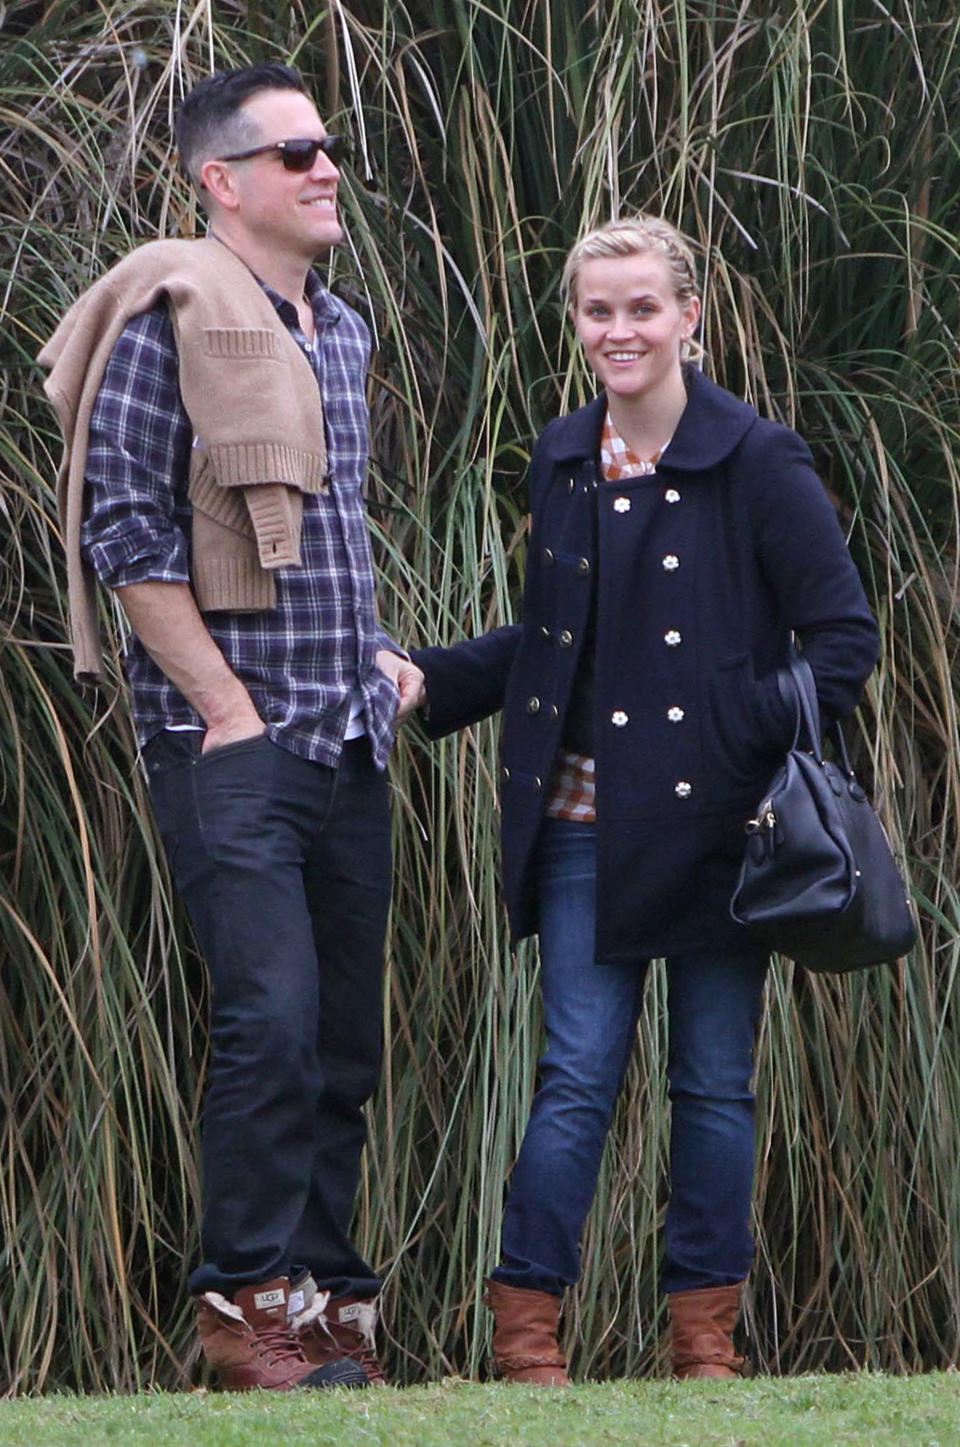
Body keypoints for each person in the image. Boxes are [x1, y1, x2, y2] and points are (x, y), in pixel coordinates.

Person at [412, 216, 879, 1382]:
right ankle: (528, 1343)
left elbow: (843, 644)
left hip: (727, 831)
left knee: (715, 1085)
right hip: (583, 823)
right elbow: (561, 639)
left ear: (689, 317)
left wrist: (728, 730)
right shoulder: (565, 452)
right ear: (576, 323)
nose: (619, 330)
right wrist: (433, 677)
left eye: (641, 308)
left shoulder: (756, 456)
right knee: (575, 1076)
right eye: (596, 310)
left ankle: (703, 1343)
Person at [40, 64, 424, 1392]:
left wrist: (375, 654)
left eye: (331, 151)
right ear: (224, 182)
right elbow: (127, 536)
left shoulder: (344, 329)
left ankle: (325, 1316)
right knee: (269, 1013)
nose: (330, 170)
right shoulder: (169, 315)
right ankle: (243, 1304)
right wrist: (227, 708)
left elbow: (326, 536)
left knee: (342, 1041)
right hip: (229, 744)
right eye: (299, 153)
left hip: (350, 737)